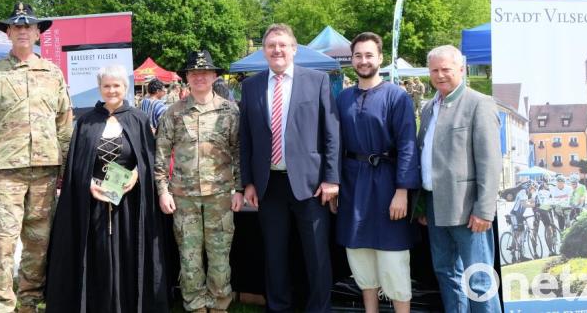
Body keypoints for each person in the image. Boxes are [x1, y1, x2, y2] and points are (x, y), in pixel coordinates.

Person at [0, 2, 72, 312]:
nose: (23, 31)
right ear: (8, 33)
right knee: (2, 243)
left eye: (29, 26)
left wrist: (66, 172)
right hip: (4, 173)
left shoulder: (53, 74)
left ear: (38, 33)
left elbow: (65, 126)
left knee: (39, 245)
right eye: (17, 26)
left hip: (45, 173)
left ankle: (29, 302)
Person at [45, 65, 168, 312]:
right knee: (97, 252)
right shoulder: (87, 122)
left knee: (128, 252)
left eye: (116, 85)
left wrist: (135, 175)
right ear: (100, 88)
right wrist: (89, 183)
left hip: (129, 202)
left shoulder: (138, 119)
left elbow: (149, 158)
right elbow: (76, 163)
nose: (112, 90)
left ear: (125, 87)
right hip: (94, 201)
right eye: (106, 86)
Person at [239, 23, 341, 313]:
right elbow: (246, 138)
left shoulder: (317, 80)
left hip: (311, 185)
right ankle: (278, 307)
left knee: (317, 254)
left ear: (294, 49)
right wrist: (248, 182)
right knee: (274, 256)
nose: (277, 50)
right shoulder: (251, 86)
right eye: (271, 46)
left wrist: (331, 178)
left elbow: (332, 133)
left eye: (283, 45)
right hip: (268, 185)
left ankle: (319, 309)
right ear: (264, 51)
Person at [335, 32, 419, 313]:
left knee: (393, 261)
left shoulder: (397, 96)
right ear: (352, 60)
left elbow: (407, 145)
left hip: (387, 185)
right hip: (353, 185)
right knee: (360, 259)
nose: (363, 60)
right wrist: (335, 185)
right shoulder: (343, 99)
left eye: (369, 55)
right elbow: (334, 145)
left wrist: (402, 191)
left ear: (380, 58)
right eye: (358, 55)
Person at [155, 50, 242, 313]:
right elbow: (161, 155)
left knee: (219, 255)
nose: (199, 77)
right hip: (184, 196)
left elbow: (239, 152)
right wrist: (162, 190)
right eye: (194, 73)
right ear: (186, 78)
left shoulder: (230, 110)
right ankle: (194, 305)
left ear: (215, 76)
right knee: (189, 255)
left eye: (205, 72)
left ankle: (219, 304)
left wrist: (239, 189)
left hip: (220, 195)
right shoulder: (173, 113)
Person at [416, 45, 501, 312]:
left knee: (479, 280)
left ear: (461, 70)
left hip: (469, 210)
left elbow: (490, 161)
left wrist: (484, 210)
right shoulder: (428, 108)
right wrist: (423, 205)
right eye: (434, 70)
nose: (440, 75)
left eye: (446, 69)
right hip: (434, 206)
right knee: (447, 274)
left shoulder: (479, 103)